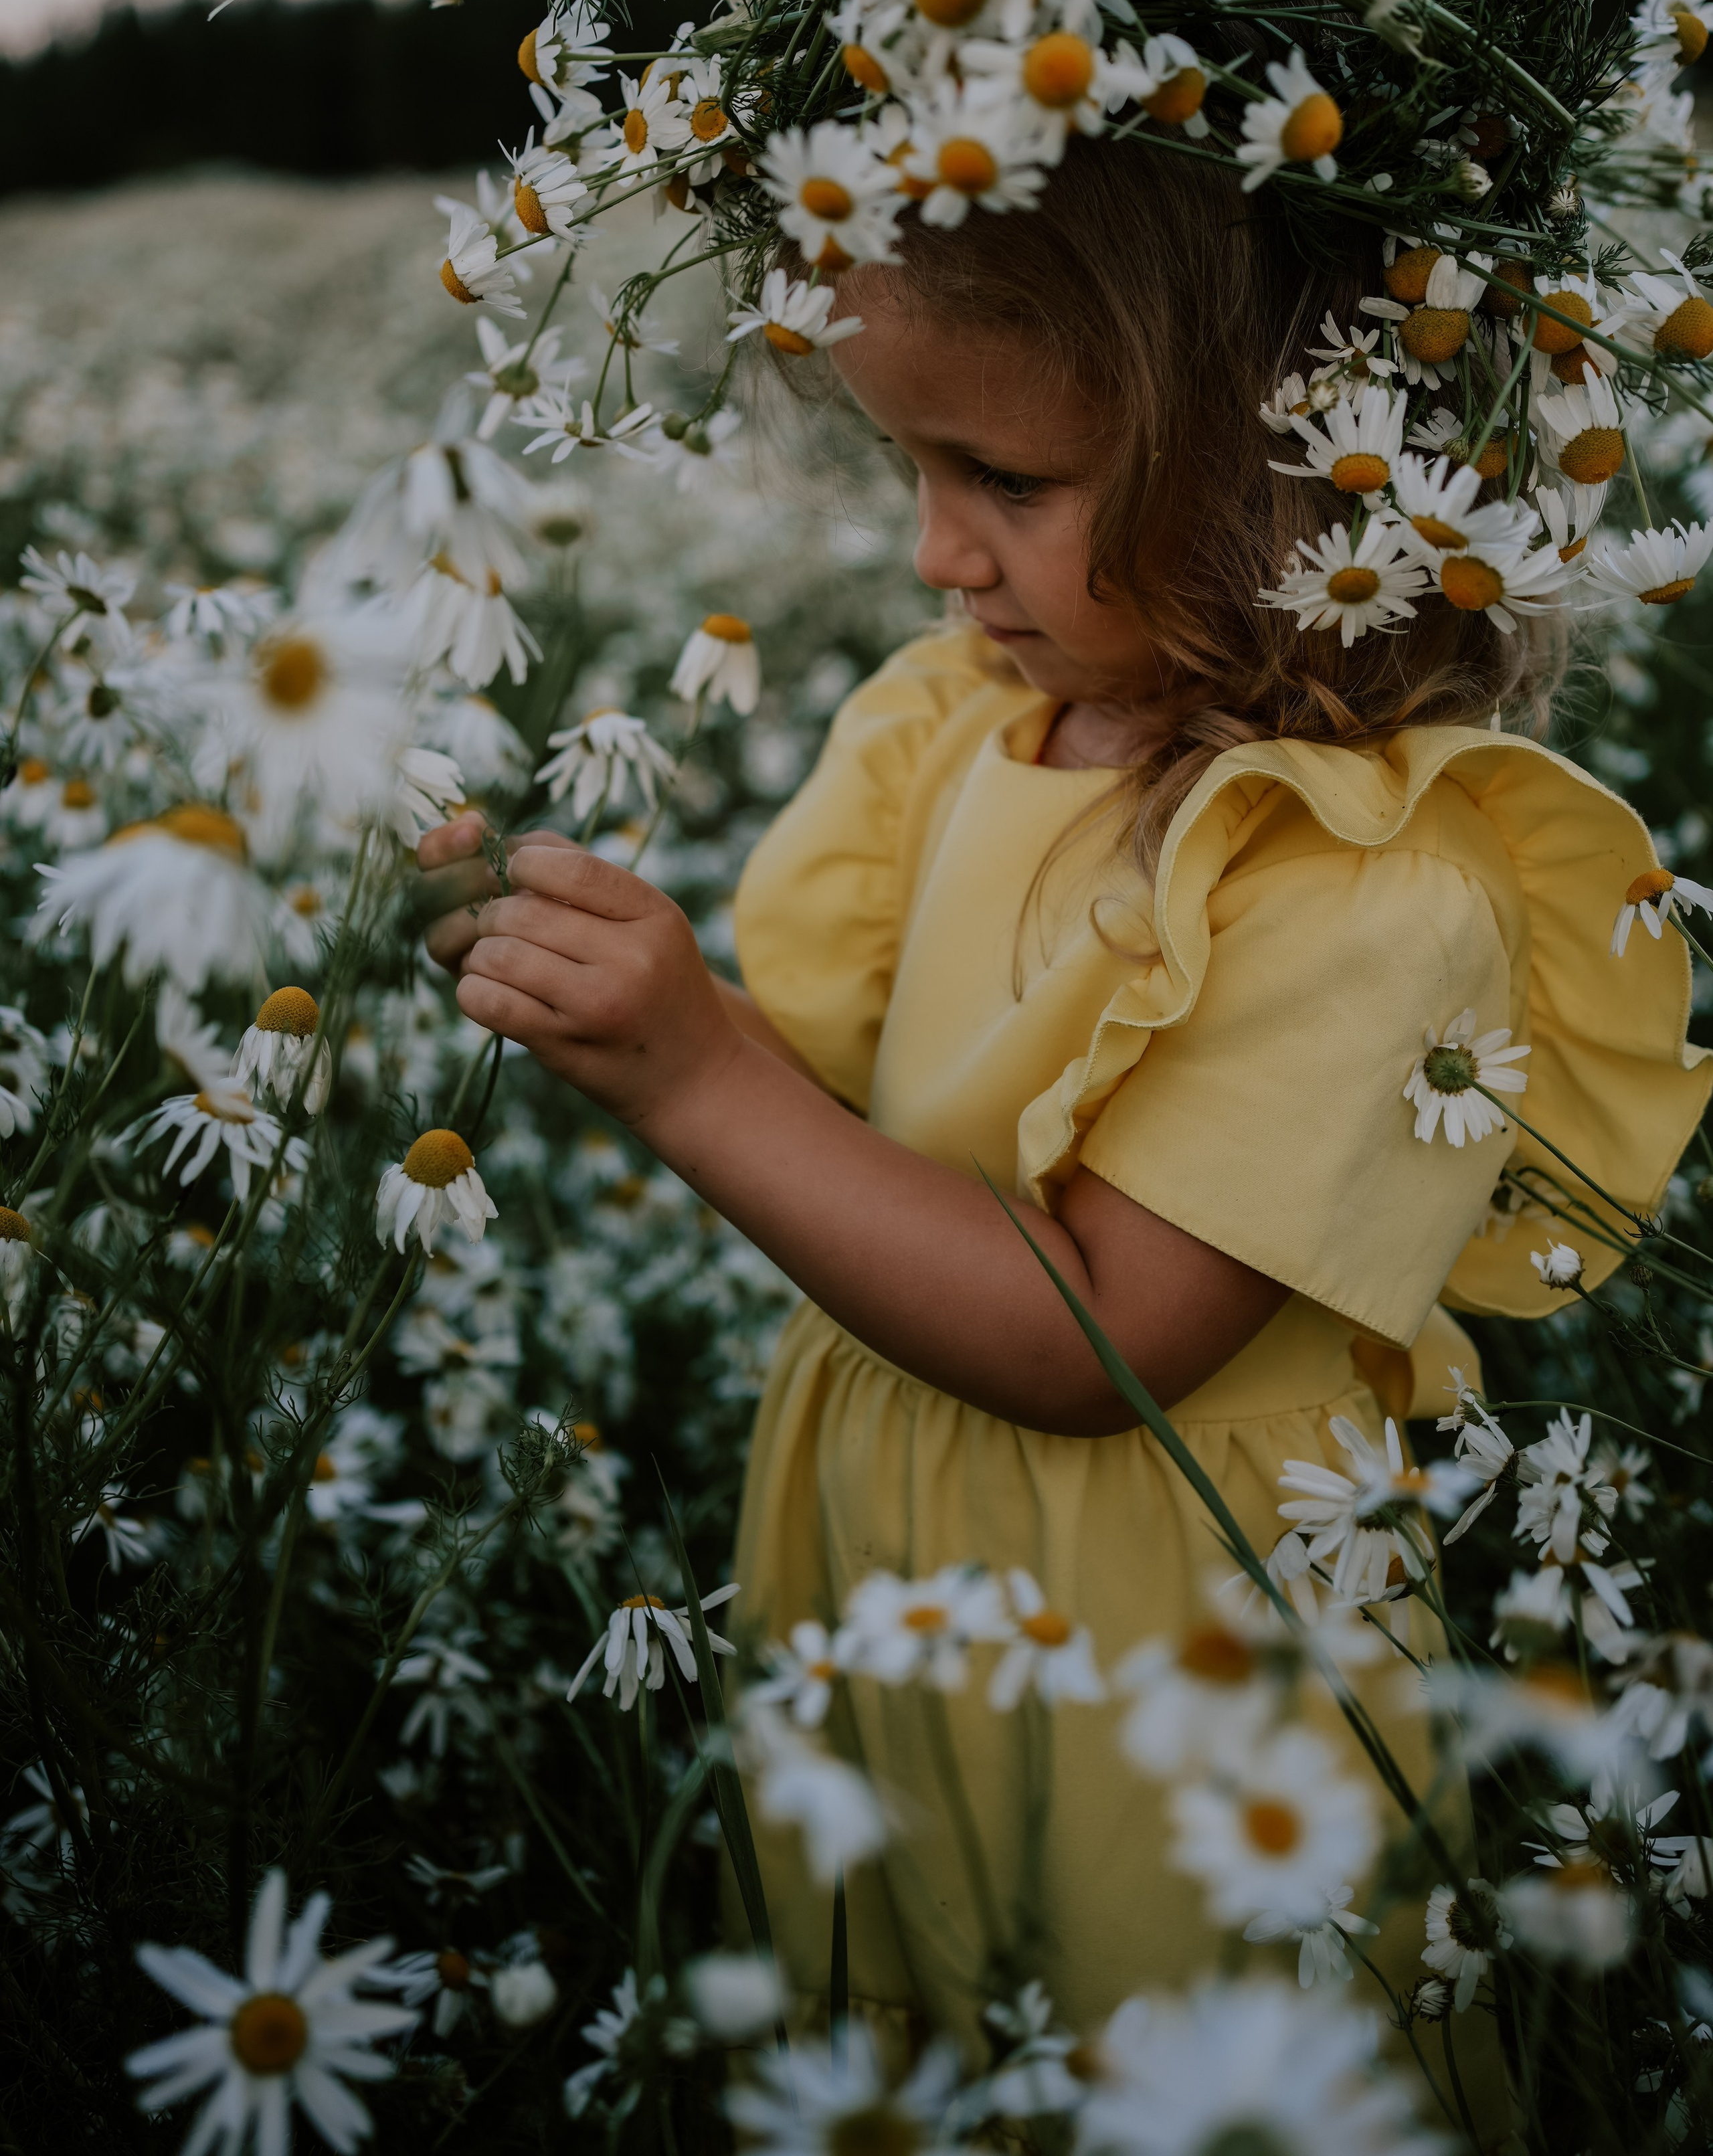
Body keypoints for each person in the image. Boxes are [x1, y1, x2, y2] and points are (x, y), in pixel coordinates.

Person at [418, 132, 1707, 2124]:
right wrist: (622, 990)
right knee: (918, 2043)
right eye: (910, 472)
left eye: (1007, 484)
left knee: (1153, 2058)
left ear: (1296, 469)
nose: (940, 554)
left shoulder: (1367, 885)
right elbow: (890, 1110)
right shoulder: (972, 732)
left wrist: (699, 1076)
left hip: (1168, 1652)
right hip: (896, 1544)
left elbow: (1093, 1335)